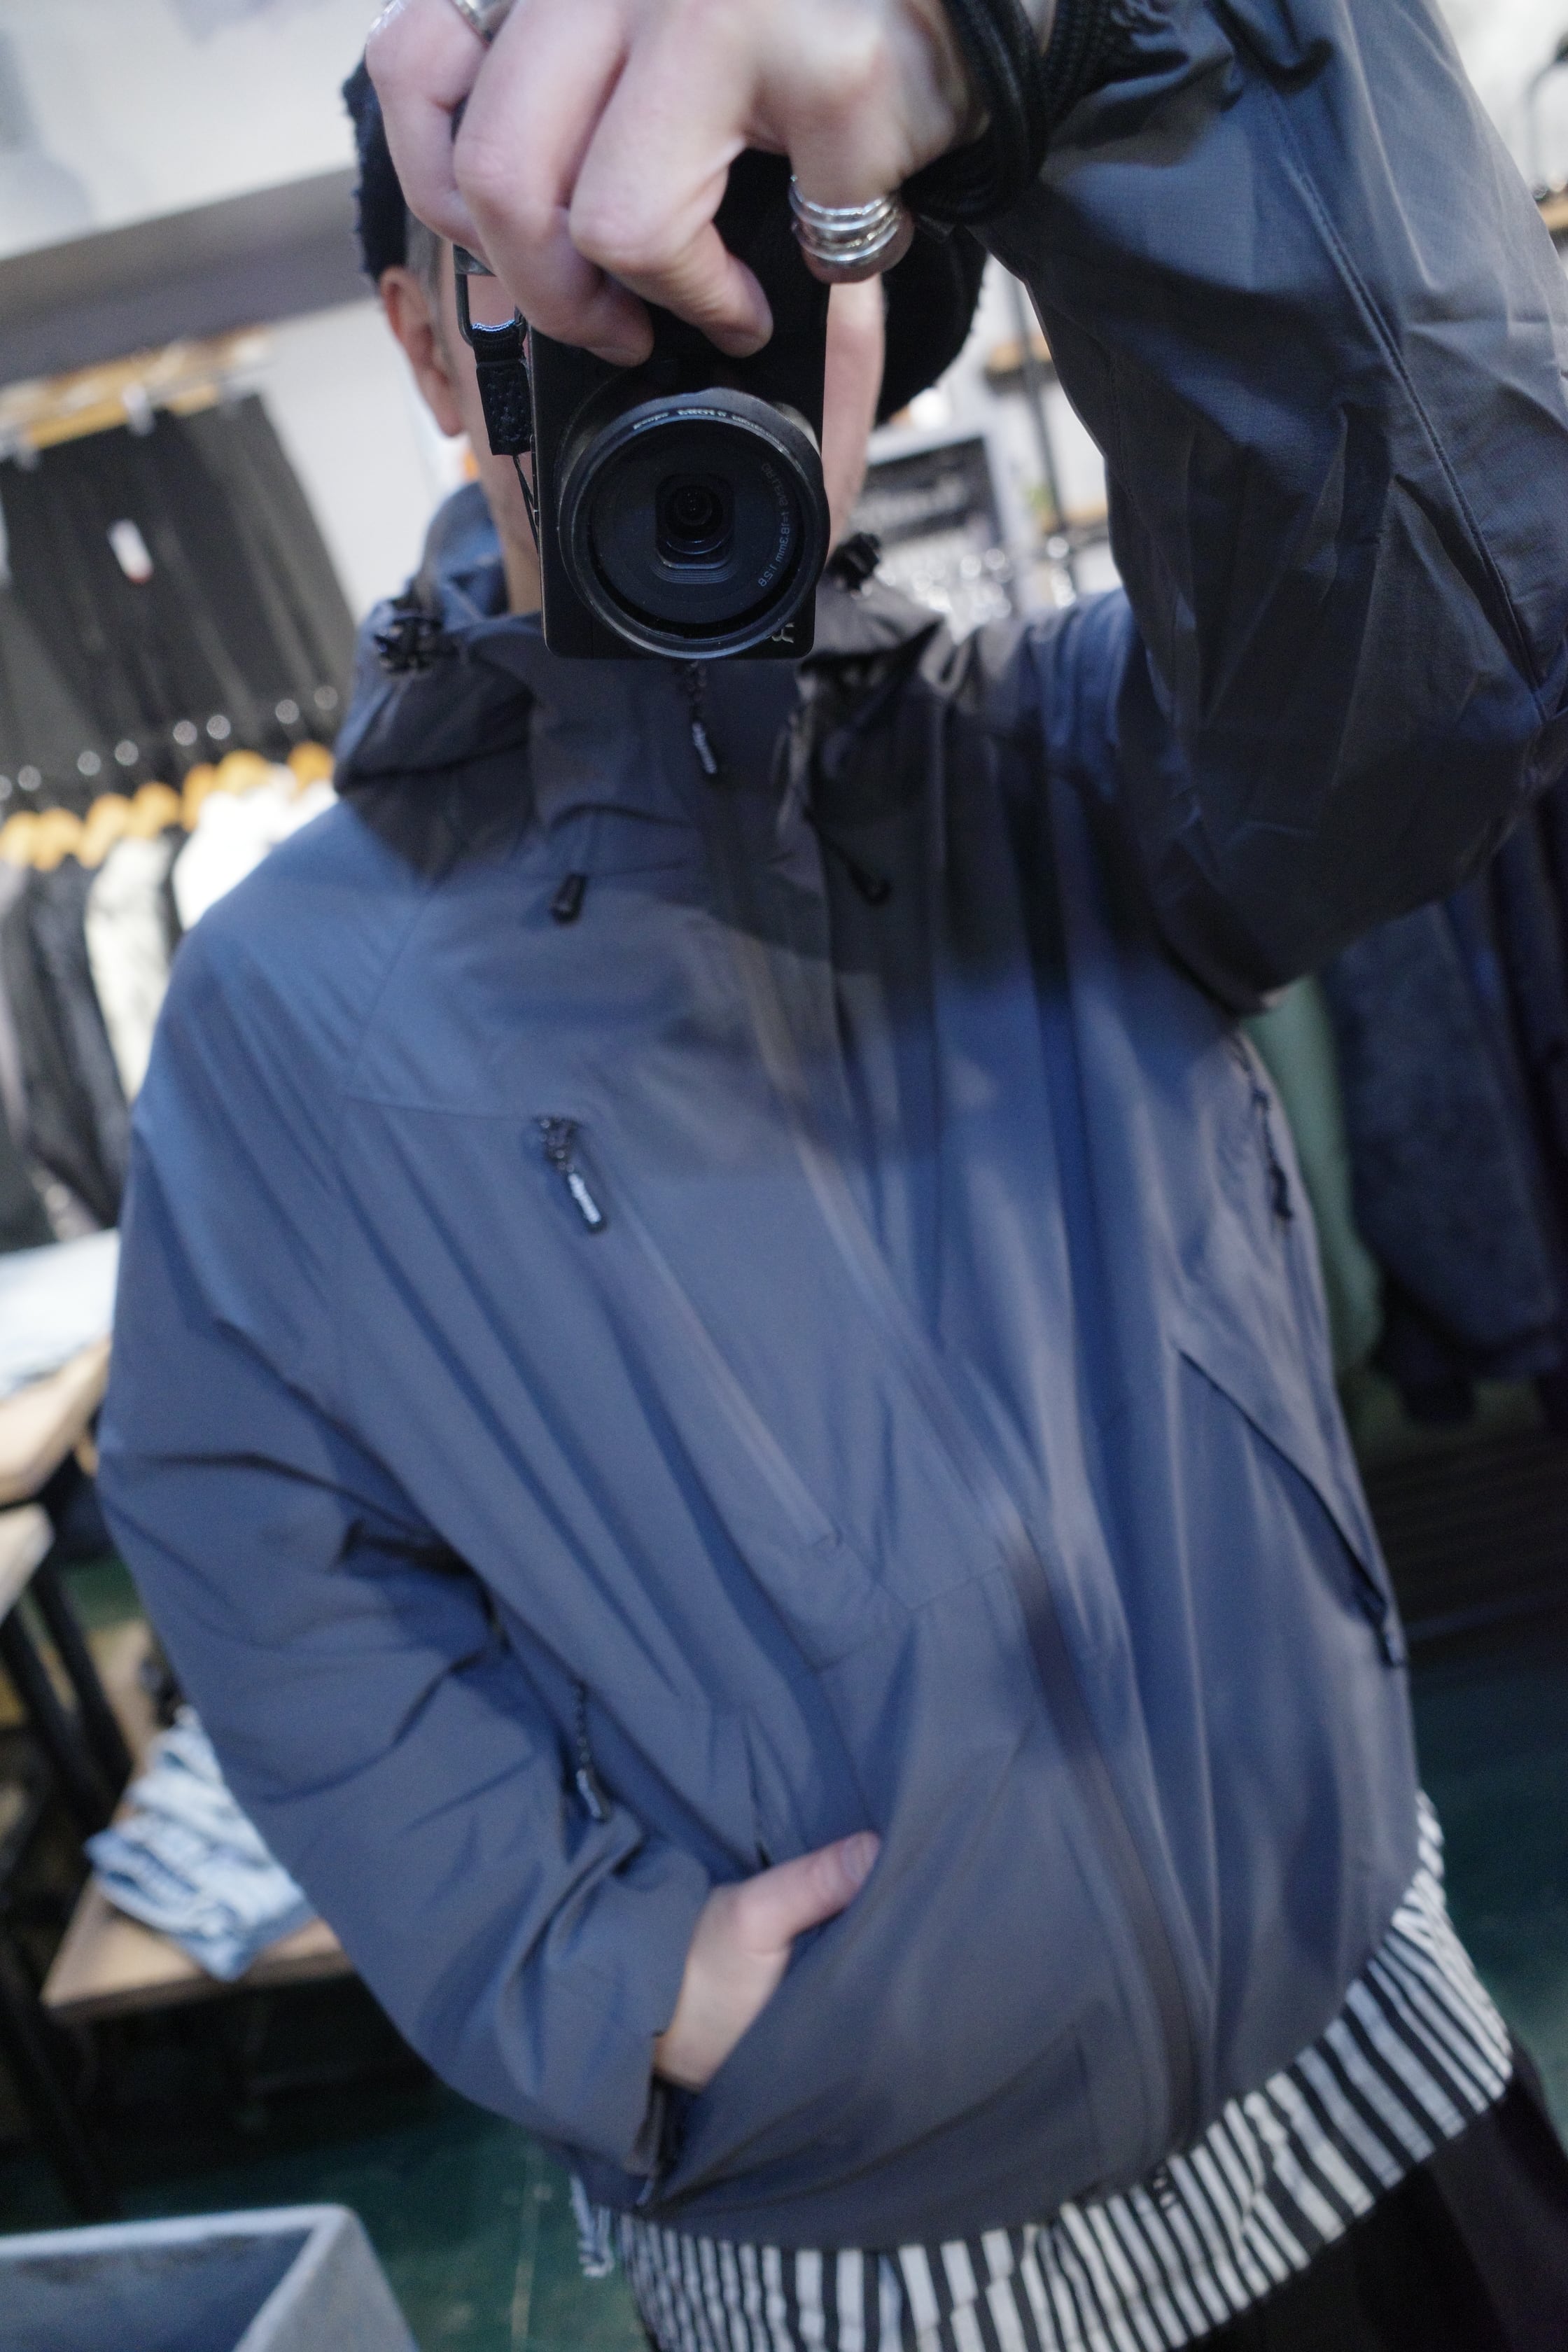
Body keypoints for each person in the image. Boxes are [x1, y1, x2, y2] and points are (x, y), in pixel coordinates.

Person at [99, 0, 1568, 2342]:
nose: (692, 331)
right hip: (871, 2254)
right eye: (573, 282)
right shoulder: (294, 1008)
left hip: (1367, 2088)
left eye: (785, 253)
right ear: (428, 334)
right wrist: (589, 1971)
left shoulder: (1069, 758)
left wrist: (1056, 41)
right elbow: (253, 1542)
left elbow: (1450, 631)